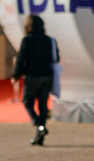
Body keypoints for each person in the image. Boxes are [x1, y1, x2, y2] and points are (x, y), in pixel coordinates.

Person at [11, 15, 58, 146]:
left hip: (32, 76)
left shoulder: (27, 40)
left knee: (27, 102)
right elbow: (56, 58)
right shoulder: (49, 40)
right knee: (43, 106)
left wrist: (16, 75)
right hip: (47, 76)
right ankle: (40, 136)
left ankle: (39, 126)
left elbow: (21, 59)